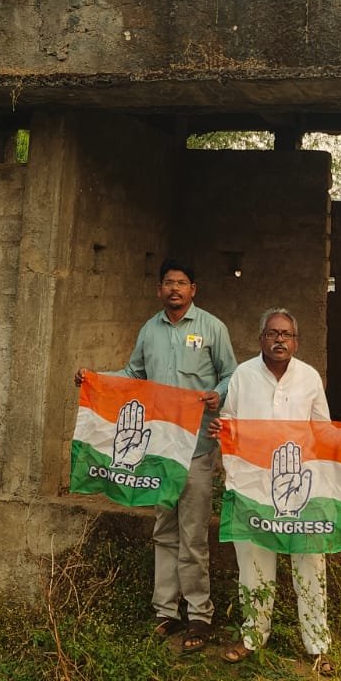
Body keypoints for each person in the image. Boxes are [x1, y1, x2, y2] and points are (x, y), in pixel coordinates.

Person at [74, 258, 236, 652]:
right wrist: (96, 379)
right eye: (168, 283)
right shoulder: (150, 330)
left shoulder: (212, 328)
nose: (175, 289)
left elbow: (232, 373)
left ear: (193, 290)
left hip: (196, 449)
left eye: (182, 282)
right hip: (160, 452)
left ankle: (199, 615)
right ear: (159, 289)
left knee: (193, 533)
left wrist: (221, 393)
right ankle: (165, 611)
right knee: (164, 530)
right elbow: (134, 373)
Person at [218, 308, 341, 676]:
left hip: (301, 488)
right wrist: (223, 433)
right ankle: (253, 637)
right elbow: (229, 422)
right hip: (256, 488)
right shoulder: (243, 375)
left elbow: (323, 430)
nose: (279, 340)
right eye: (272, 333)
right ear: (261, 339)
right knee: (254, 565)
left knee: (309, 565)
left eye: (286, 334)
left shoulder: (308, 377)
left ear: (296, 341)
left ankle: (318, 646)